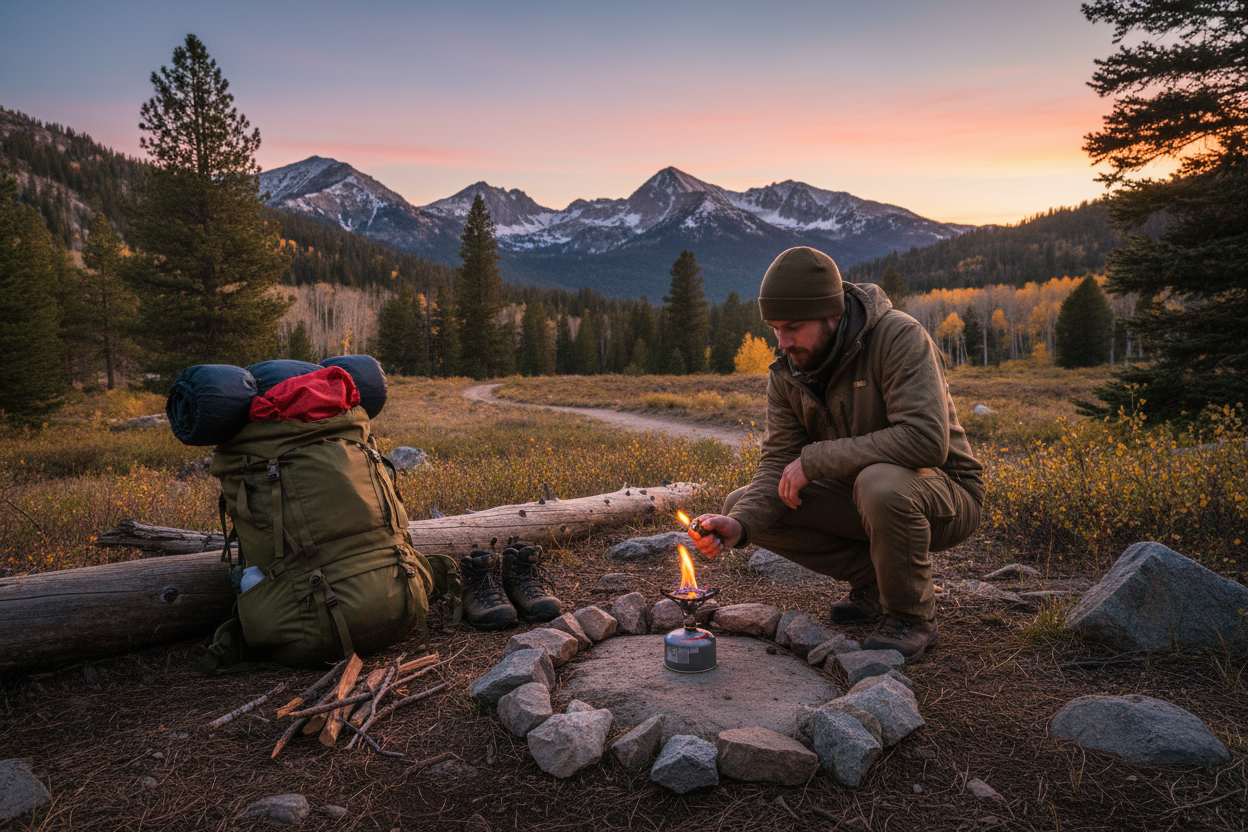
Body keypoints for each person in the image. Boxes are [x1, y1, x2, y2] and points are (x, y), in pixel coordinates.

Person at [689, 246, 983, 662]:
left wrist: (817, 460)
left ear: (832, 315)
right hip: (859, 496)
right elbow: (777, 461)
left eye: (793, 326)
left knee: (880, 484)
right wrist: (740, 524)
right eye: (774, 328)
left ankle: (911, 616)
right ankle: (877, 583)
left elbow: (925, 440)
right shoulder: (788, 372)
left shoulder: (898, 337)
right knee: (747, 506)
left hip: (944, 495)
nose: (783, 342)